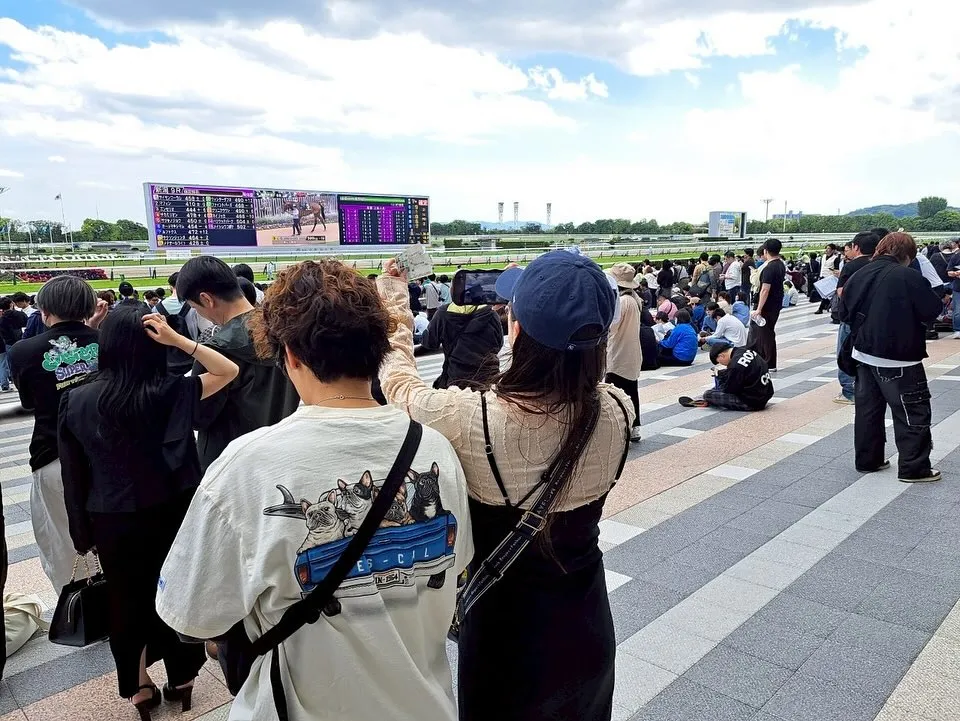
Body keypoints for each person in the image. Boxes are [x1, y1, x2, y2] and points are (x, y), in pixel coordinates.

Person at [156, 260, 473, 721]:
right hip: (427, 704)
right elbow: (454, 564)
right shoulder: (434, 449)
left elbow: (191, 613)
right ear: (379, 347)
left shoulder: (246, 466)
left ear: (291, 356)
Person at [374, 249, 633, 721]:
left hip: (504, 630)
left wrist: (394, 300)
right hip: (586, 621)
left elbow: (400, 385)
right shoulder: (617, 409)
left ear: (518, 329)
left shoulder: (471, 419)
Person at [59, 307, 238, 718]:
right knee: (178, 590)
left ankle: (139, 688)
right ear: (151, 342)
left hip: (111, 516)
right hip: (174, 510)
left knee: (126, 601)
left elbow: (74, 474)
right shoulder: (170, 389)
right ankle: (183, 678)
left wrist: (81, 532)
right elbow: (226, 370)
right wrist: (178, 339)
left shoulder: (76, 399)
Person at [7, 276, 108, 590]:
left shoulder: (24, 351)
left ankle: (78, 608)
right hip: (110, 453)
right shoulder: (106, 341)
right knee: (113, 530)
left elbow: (28, 401)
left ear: (45, 310)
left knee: (63, 538)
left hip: (55, 455)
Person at [174, 257, 299, 471]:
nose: (199, 313)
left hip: (230, 462)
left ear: (207, 299)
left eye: (195, 307)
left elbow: (199, 417)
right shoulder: (286, 332)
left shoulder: (213, 350)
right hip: (283, 455)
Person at [839, 232, 942, 483]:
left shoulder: (858, 273)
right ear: (906, 255)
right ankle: (914, 468)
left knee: (867, 412)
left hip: (862, 353)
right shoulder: (908, 276)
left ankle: (868, 460)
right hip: (899, 357)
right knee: (911, 412)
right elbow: (932, 310)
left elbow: (843, 312)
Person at [420, 297, 504, 390]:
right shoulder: (491, 314)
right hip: (489, 381)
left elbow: (429, 342)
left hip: (457, 383)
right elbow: (499, 344)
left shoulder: (443, 313)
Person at [834, 231, 878, 405]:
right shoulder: (878, 264)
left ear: (856, 247)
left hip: (851, 318)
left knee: (845, 352)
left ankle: (849, 391)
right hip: (872, 317)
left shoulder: (851, 266)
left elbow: (841, 292)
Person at [605, 263, 643, 442]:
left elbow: (611, 327)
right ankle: (634, 426)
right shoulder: (635, 299)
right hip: (631, 352)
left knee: (616, 392)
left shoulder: (623, 302)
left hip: (619, 353)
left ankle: (622, 426)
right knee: (631, 391)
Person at [680, 344, 773, 411]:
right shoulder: (745, 350)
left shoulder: (735, 366)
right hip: (765, 394)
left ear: (721, 355)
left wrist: (721, 382)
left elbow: (730, 390)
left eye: (719, 362)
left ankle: (708, 399)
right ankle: (711, 398)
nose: (722, 364)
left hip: (752, 402)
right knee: (723, 378)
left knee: (708, 394)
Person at [750, 238, 786, 372]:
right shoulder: (780, 264)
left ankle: (768, 363)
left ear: (765, 250)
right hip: (775, 304)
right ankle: (768, 362)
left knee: (765, 334)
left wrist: (759, 309)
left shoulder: (769, 267)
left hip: (766, 306)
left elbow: (765, 289)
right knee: (768, 332)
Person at [815, 244, 841, 314]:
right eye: (826, 248)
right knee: (823, 293)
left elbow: (836, 269)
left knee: (826, 294)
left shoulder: (835, 258)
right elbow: (821, 266)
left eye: (828, 248)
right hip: (822, 276)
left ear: (833, 250)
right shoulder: (823, 257)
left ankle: (821, 308)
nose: (826, 250)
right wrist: (818, 275)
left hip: (829, 277)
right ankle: (827, 305)